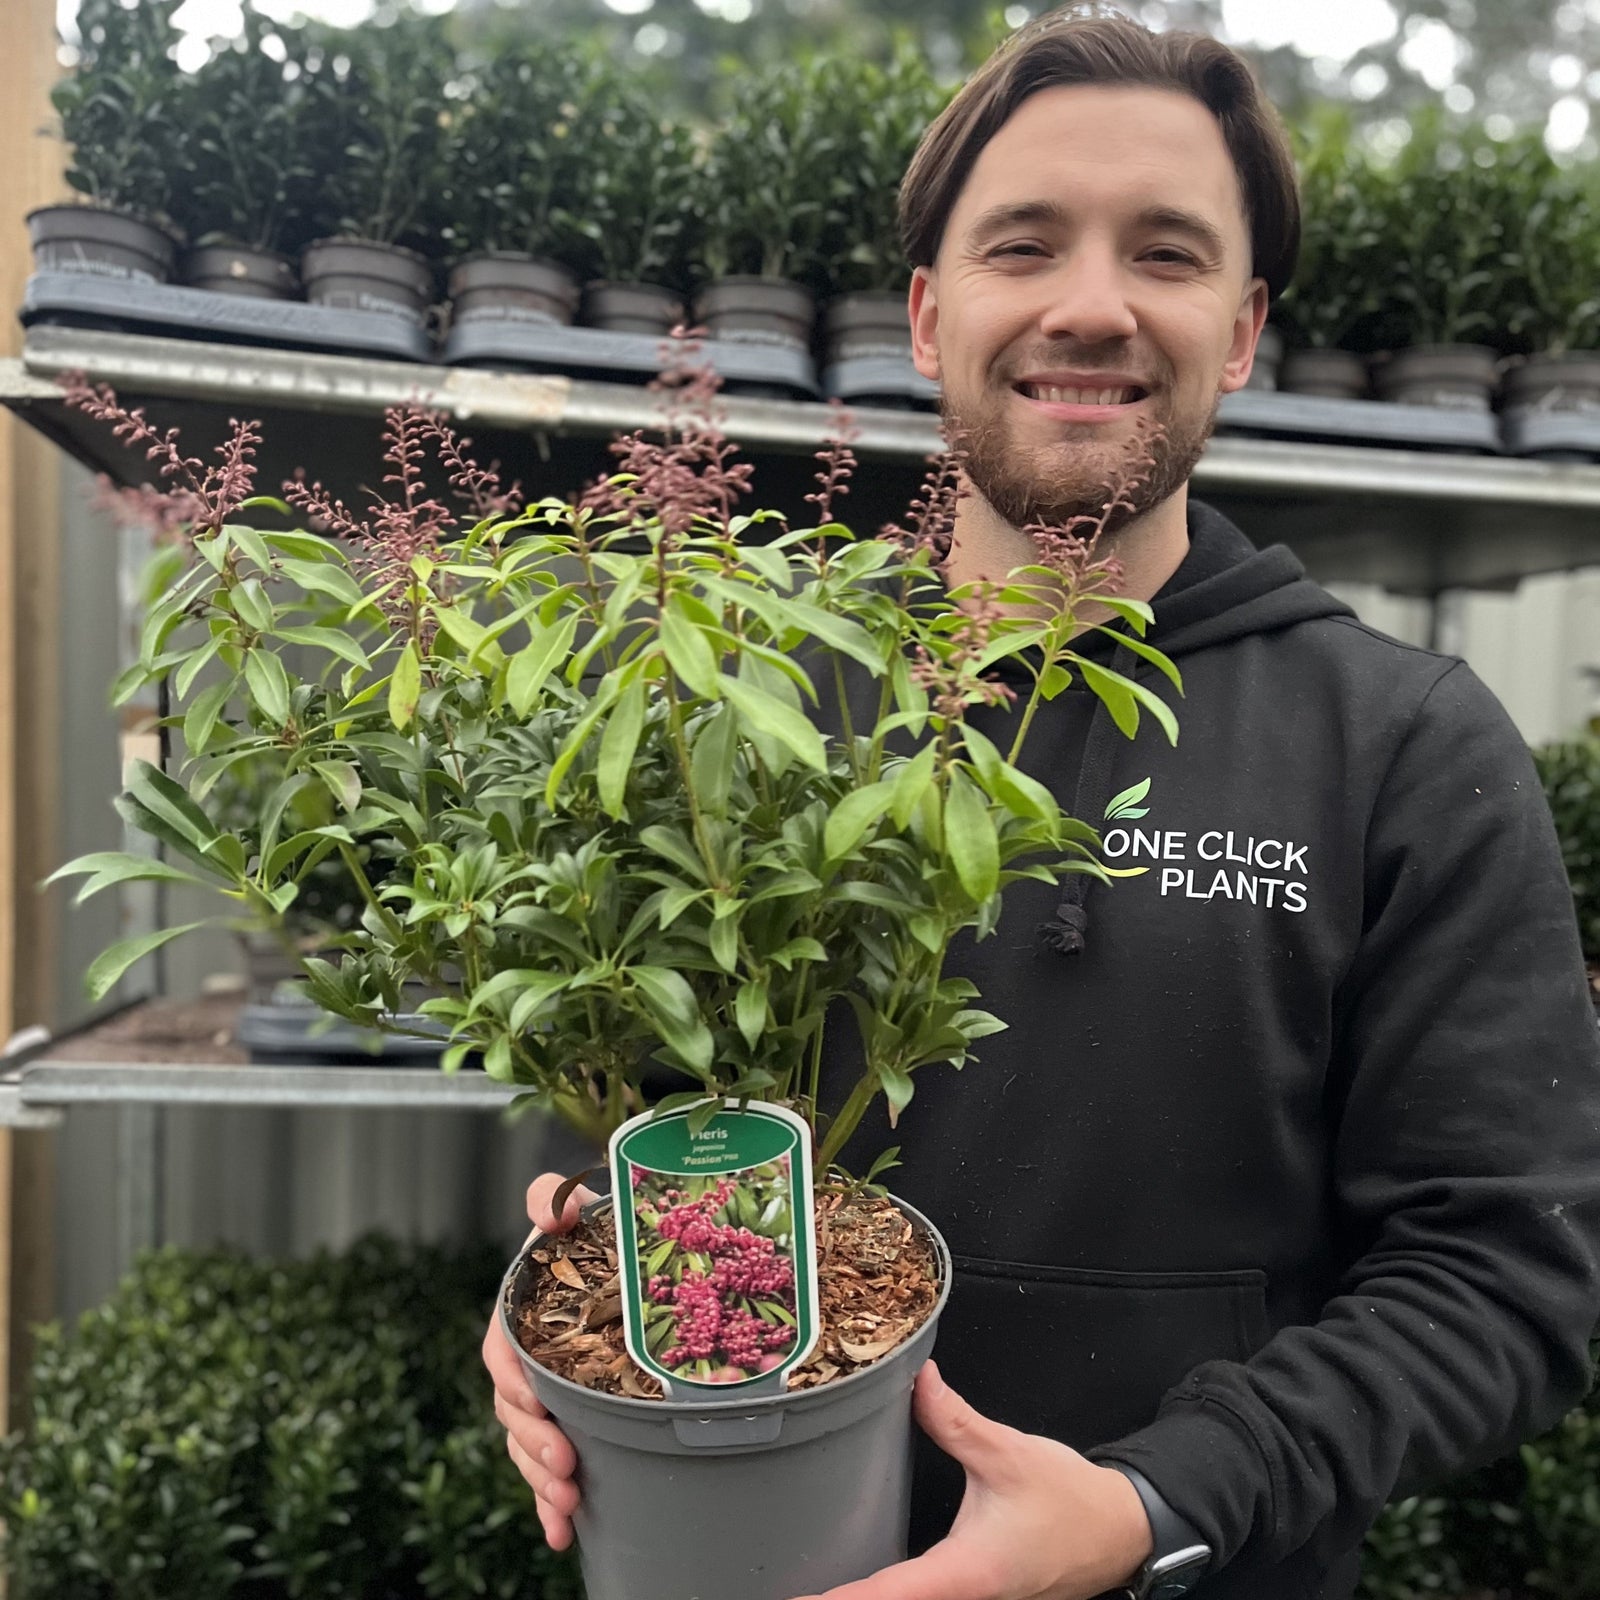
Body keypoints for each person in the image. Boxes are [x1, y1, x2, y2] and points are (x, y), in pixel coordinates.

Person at [482, 8, 1600, 1598]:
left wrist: (1152, 1508)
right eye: (1025, 246)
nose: (1091, 305)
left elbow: (1501, 1282)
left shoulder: (1406, 748)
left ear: (1246, 325)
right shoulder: (735, 708)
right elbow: (613, 1114)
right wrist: (557, 1282)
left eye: (1165, 252)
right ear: (932, 317)